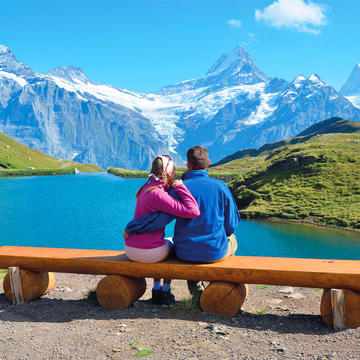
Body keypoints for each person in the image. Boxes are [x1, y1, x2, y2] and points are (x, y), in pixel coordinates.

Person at [125, 146, 240, 303]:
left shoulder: (177, 188)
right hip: (214, 252)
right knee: (232, 238)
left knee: (188, 248)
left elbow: (159, 220)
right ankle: (213, 286)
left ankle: (196, 290)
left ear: (188, 164)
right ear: (208, 162)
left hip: (185, 252)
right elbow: (231, 226)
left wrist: (132, 227)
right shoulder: (221, 187)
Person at [124, 155, 200, 305]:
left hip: (131, 249)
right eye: (173, 168)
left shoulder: (146, 187)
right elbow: (193, 211)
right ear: (168, 172)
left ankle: (156, 287)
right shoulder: (158, 194)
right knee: (174, 245)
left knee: (162, 244)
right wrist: (180, 187)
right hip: (147, 253)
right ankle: (164, 291)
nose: (175, 172)